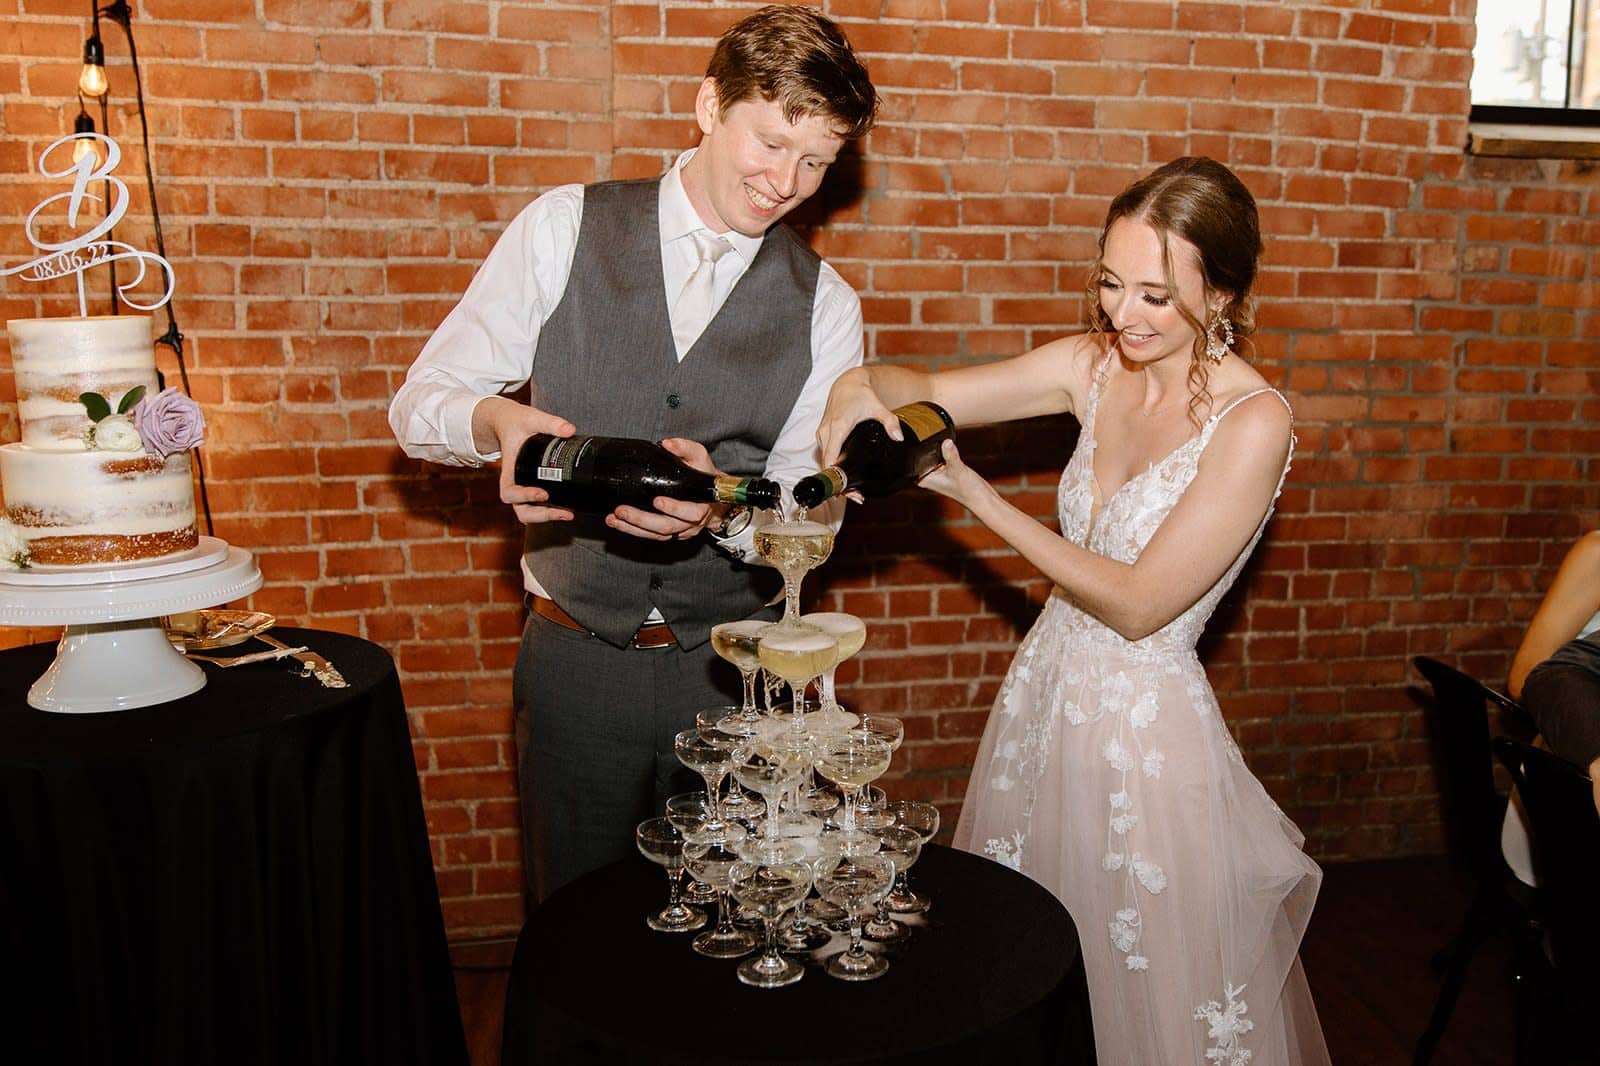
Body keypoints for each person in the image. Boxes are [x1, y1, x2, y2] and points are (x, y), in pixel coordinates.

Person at [818, 157, 1329, 1063]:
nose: (1123, 316)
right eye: (1110, 284)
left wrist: (977, 498)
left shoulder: (1256, 422)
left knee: (1144, 1003)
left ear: (1223, 296)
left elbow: (1139, 606)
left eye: (1157, 297)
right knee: (1025, 978)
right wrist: (855, 390)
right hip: (1042, 706)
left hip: (1145, 742)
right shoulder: (1087, 367)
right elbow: (915, 382)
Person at [388, 4, 878, 903]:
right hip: (575, 662)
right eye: (770, 144)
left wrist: (726, 506)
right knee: (572, 935)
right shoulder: (563, 226)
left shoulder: (826, 305)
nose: (786, 182)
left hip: (737, 673)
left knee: (729, 929)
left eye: (817, 162)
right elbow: (418, 405)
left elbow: (815, 511)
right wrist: (500, 424)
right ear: (707, 106)